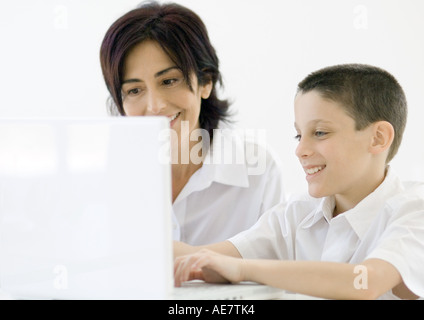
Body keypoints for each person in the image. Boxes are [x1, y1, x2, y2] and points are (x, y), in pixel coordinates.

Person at [173, 64, 424, 300]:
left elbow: (364, 281)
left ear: (378, 138)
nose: (300, 150)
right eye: (299, 135)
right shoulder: (295, 214)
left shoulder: (413, 210)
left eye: (320, 133)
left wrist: (243, 269)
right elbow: (204, 257)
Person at [99, 1, 286, 245]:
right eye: (134, 90)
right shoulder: (105, 176)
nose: (154, 106)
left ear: (206, 81)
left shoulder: (258, 171)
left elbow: (275, 273)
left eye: (168, 81)